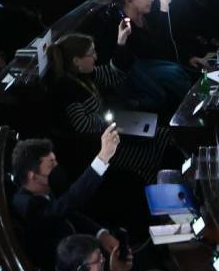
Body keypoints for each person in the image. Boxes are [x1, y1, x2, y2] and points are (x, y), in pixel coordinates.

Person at [46, 32, 169, 181]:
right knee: (158, 154)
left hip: (113, 132)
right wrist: (109, 121)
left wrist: (121, 42)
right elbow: (82, 125)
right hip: (104, 148)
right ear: (77, 61)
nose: (96, 57)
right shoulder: (67, 89)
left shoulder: (86, 74)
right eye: (91, 54)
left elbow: (114, 73)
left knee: (165, 136)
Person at [10, 133, 119, 271]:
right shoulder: (29, 206)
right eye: (51, 165)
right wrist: (103, 157)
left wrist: (101, 233)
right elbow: (70, 201)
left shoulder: (42, 189)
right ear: (33, 175)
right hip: (72, 270)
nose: (57, 168)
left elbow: (69, 212)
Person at [98, 0, 194, 113]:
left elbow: (167, 43)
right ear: (129, 0)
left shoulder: (145, 14)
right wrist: (163, 9)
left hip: (162, 70)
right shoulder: (120, 27)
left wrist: (188, 57)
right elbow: (155, 49)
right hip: (142, 85)